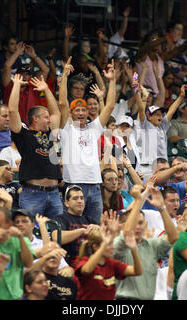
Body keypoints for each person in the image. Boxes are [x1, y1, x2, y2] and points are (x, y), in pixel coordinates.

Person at [58, 59, 116, 222]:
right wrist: (64, 77)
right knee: (73, 225)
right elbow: (62, 103)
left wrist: (112, 80)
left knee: (95, 228)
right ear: (71, 113)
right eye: (77, 110)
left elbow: (110, 105)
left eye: (84, 109)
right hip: (74, 185)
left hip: (95, 185)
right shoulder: (67, 129)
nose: (82, 112)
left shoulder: (94, 128)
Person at [9, 72, 65, 218]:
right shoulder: (24, 135)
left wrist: (46, 90)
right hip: (32, 194)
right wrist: (16, 86)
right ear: (35, 119)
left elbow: (56, 113)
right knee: (29, 231)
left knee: (57, 232)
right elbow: (12, 111)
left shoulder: (51, 134)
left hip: (54, 193)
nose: (49, 120)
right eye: (45, 118)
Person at [113, 183, 178, 300]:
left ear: (145, 225)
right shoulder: (120, 245)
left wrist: (162, 208)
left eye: (141, 223)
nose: (138, 227)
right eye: (135, 223)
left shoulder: (151, 245)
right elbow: (128, 232)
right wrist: (138, 200)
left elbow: (173, 237)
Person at [75, 222, 142, 300]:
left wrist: (134, 249)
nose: (113, 247)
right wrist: (104, 244)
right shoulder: (85, 261)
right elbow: (86, 270)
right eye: (109, 244)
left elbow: (137, 271)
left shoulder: (112, 264)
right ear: (96, 247)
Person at [134, 83, 187, 180]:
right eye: (157, 114)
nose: (160, 117)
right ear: (149, 117)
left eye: (161, 114)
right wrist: (144, 98)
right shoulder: (143, 126)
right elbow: (141, 111)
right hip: (146, 167)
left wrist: (180, 97)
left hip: (162, 168)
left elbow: (171, 111)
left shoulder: (162, 128)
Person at [53, 185, 100, 268]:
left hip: (92, 259)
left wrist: (99, 229)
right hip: (72, 262)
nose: (80, 201)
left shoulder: (90, 220)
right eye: (75, 198)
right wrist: (81, 231)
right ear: (66, 203)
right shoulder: (61, 218)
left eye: (82, 198)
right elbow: (57, 237)